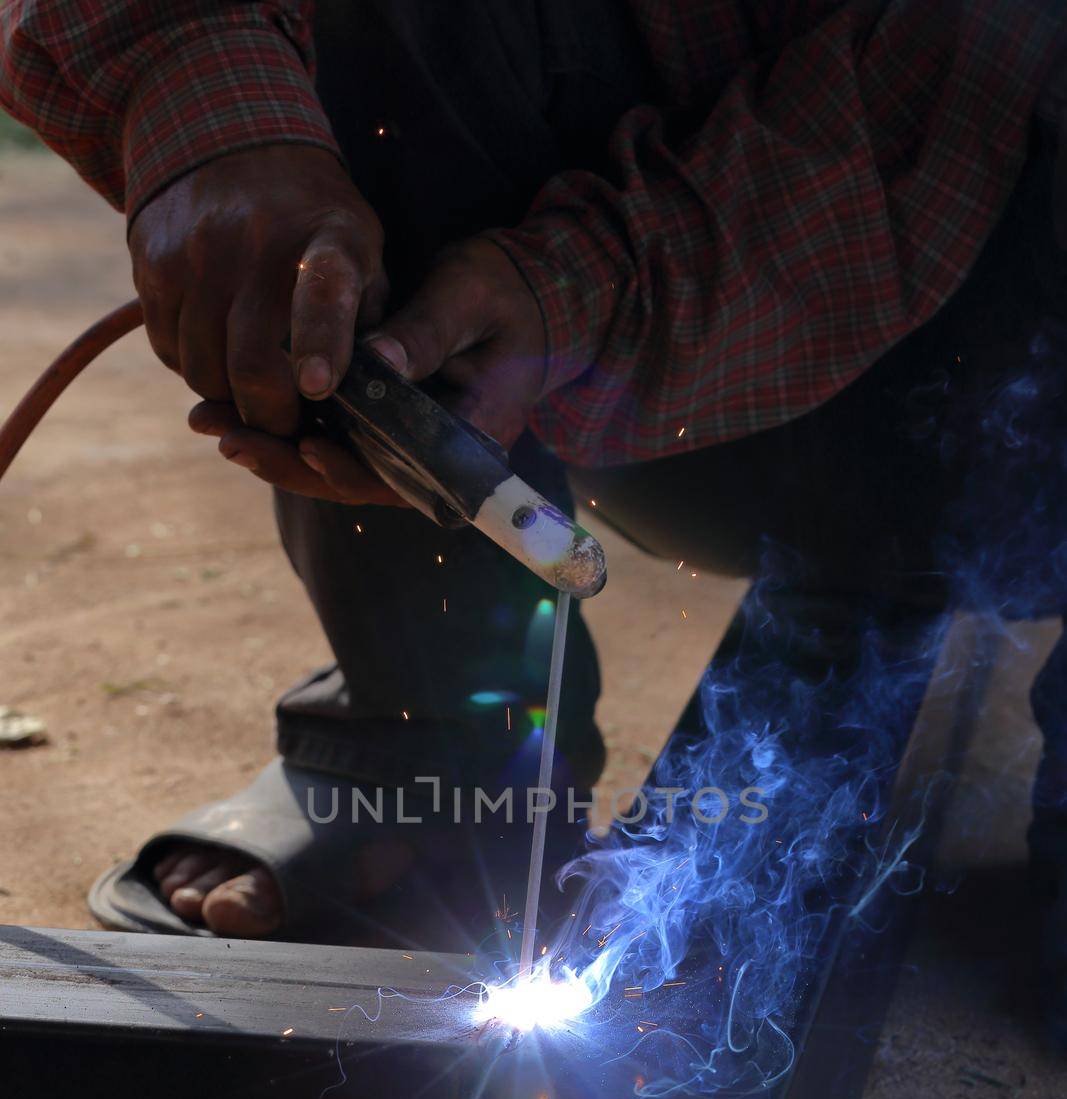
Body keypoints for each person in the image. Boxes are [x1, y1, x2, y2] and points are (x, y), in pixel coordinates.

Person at [1, 0, 1065, 955]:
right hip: (658, 405)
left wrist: (588, 279)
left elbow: (960, 63)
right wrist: (205, 95)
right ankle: (441, 770)